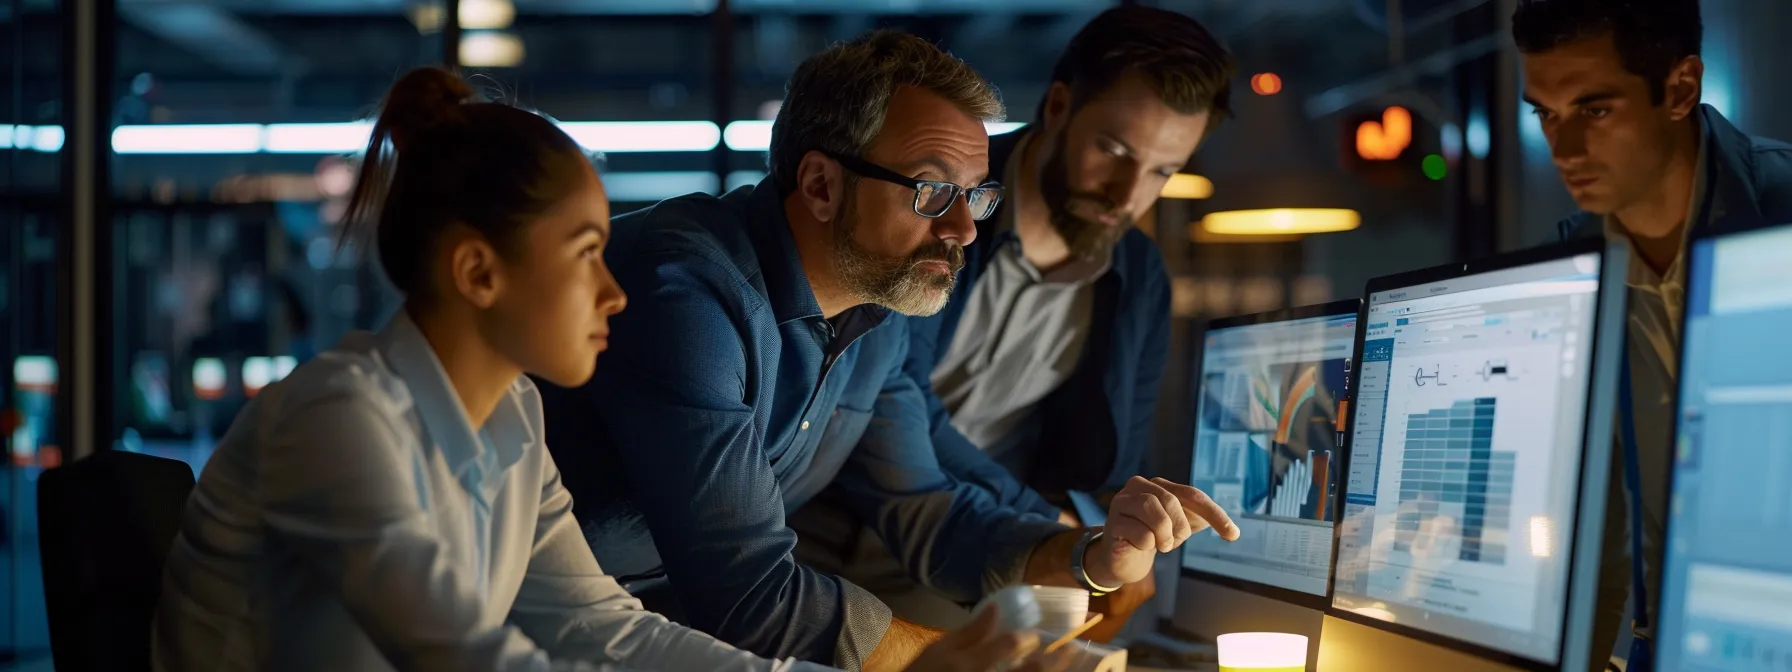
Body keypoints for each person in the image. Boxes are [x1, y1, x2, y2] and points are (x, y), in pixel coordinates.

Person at [150, 65, 1064, 672]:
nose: (615, 292)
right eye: (587, 253)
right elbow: (463, 655)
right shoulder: (337, 416)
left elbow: (605, 630)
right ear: (478, 272)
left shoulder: (511, 416)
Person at [536, 30, 1240, 672]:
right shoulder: (690, 290)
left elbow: (928, 509)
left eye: (976, 196)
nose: (964, 230)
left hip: (662, 631)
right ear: (820, 184)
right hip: (544, 630)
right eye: (934, 192)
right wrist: (970, 662)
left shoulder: (882, 306)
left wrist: (1091, 556)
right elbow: (748, 591)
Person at [788, 7, 1236, 639]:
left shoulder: (1139, 278)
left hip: (981, 548)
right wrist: (1059, 533)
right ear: (1057, 107)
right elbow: (899, 408)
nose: (1128, 193)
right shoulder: (937, 203)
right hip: (840, 527)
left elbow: (1107, 470)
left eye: (1164, 171)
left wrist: (1111, 539)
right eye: (1113, 150)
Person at [1513, 0, 1792, 666]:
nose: (1564, 149)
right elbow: (1593, 510)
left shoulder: (1781, 211)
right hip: (1664, 642)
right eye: (1546, 115)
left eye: (1594, 110)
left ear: (1680, 89)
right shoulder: (1577, 263)